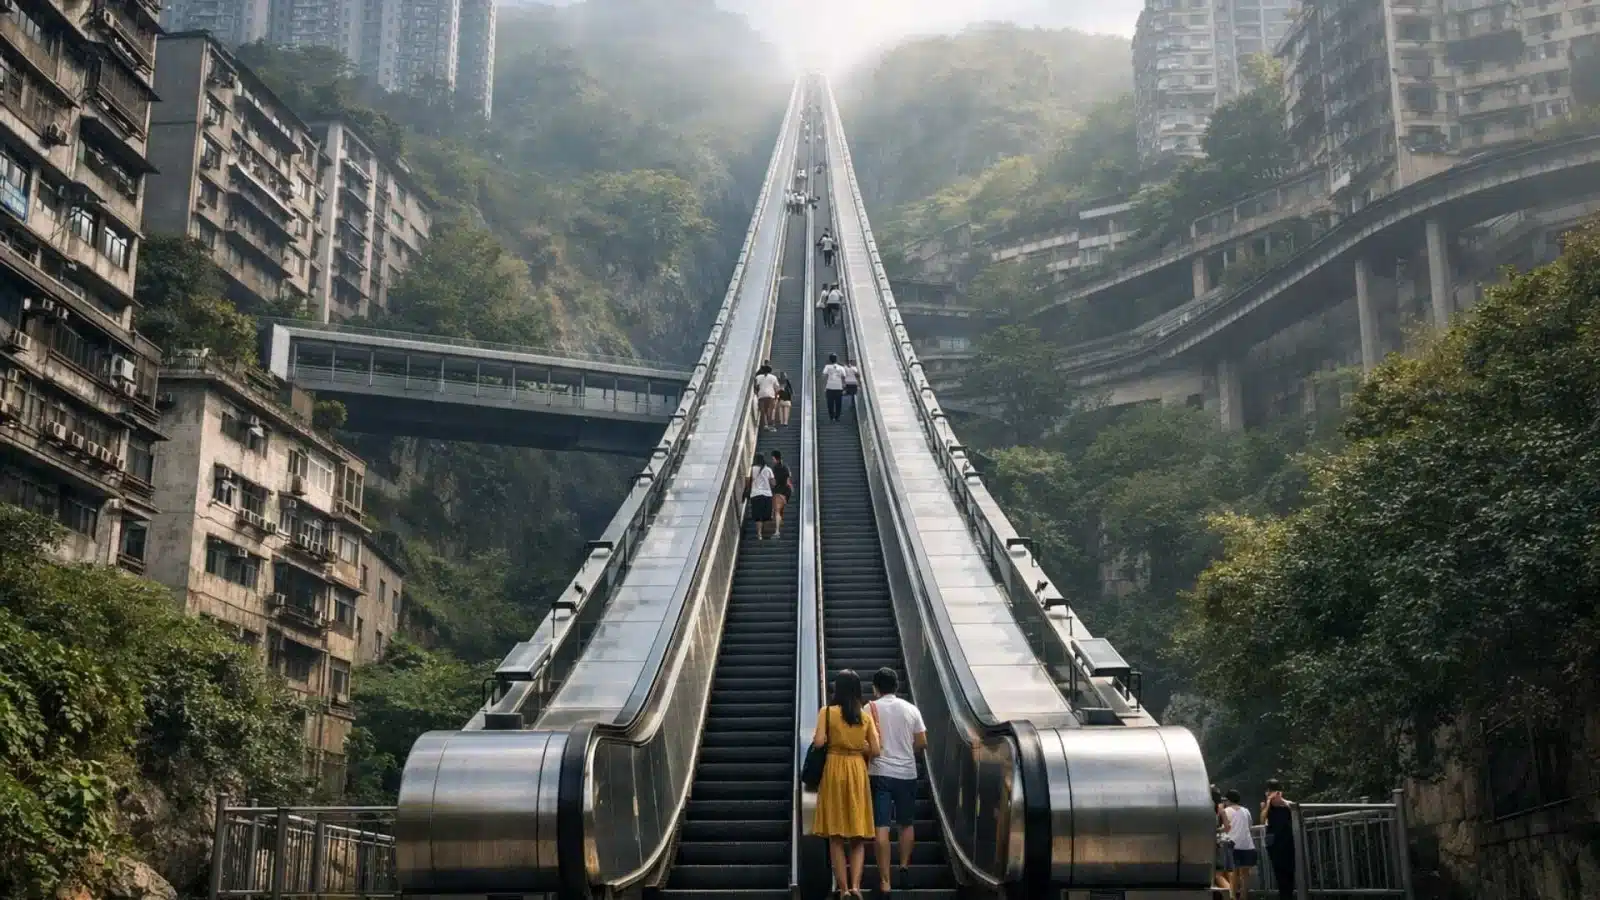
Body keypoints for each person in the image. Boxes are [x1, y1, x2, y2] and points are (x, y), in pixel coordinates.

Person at [812, 669, 880, 900]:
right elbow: (877, 750)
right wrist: (857, 747)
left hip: (833, 767)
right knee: (857, 835)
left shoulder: (827, 712)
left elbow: (819, 742)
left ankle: (842, 889)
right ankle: (856, 886)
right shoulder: (865, 717)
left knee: (836, 835)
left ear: (837, 689)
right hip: (856, 770)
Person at [867, 668, 925, 896]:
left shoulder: (869, 708)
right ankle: (903, 867)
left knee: (881, 826)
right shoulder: (911, 709)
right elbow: (922, 742)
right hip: (907, 774)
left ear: (875, 688)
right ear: (897, 687)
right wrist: (906, 753)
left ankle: (885, 881)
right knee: (906, 823)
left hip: (879, 773)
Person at [1260, 780, 1296, 900]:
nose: (1270, 793)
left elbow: (1295, 809)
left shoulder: (1286, 804)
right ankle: (1284, 895)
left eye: (1272, 791)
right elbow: (1262, 819)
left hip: (1287, 840)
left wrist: (1282, 801)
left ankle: (1288, 895)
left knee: (1289, 871)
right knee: (1279, 872)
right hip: (1274, 843)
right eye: (1269, 791)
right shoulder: (1266, 805)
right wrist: (1269, 802)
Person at [1222, 789, 1257, 900]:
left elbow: (1226, 828)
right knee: (1245, 874)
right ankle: (1243, 897)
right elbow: (1250, 825)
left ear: (1228, 800)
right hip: (1248, 845)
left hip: (1233, 844)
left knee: (1233, 874)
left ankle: (1232, 897)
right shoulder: (1246, 810)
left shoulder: (1226, 811)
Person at [746, 452, 776, 540]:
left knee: (758, 516)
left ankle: (759, 534)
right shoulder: (768, 469)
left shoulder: (752, 469)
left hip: (755, 495)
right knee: (766, 515)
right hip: (767, 495)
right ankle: (766, 534)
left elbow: (748, 482)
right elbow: (773, 483)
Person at [1212, 785, 1232, 893]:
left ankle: (1231, 895)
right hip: (1224, 842)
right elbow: (1228, 827)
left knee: (1217, 875)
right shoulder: (1222, 809)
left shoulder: (1209, 809)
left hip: (1214, 844)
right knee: (1226, 873)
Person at [769, 449, 792, 538]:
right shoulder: (785, 467)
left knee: (777, 511)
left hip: (778, 491)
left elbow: (774, 482)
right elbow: (788, 479)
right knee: (779, 510)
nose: (772, 460)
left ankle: (777, 531)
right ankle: (777, 529)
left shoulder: (775, 468)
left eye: (773, 458)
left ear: (776, 458)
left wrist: (771, 482)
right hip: (786, 492)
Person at [822, 353, 847, 423]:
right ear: (836, 359)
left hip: (829, 388)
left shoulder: (827, 367)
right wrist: (844, 387)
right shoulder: (841, 367)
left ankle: (831, 417)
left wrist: (824, 386)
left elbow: (824, 376)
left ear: (830, 360)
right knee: (838, 403)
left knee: (830, 404)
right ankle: (837, 417)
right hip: (839, 388)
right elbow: (844, 377)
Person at [754, 364, 780, 431]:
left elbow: (756, 387)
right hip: (771, 395)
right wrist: (776, 396)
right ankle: (770, 425)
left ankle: (765, 425)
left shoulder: (758, 377)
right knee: (770, 410)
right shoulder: (773, 377)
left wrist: (757, 394)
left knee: (763, 411)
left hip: (761, 396)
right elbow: (777, 388)